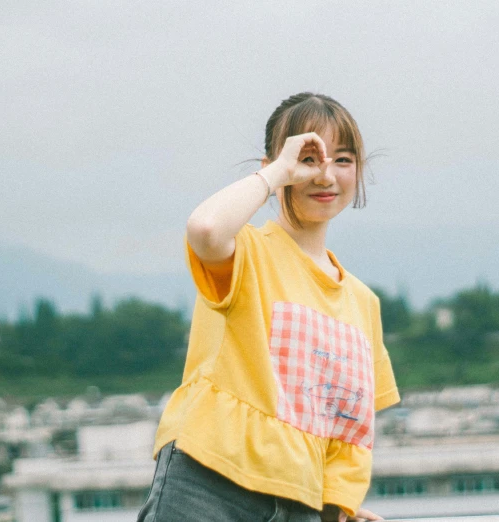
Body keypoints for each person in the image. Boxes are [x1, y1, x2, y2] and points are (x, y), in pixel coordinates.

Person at [136, 92, 400, 522]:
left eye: (344, 159)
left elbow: (348, 432)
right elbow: (204, 228)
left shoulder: (362, 303)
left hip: (300, 505)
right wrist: (278, 172)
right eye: (310, 157)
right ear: (274, 167)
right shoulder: (247, 251)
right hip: (209, 480)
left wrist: (336, 511)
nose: (326, 175)